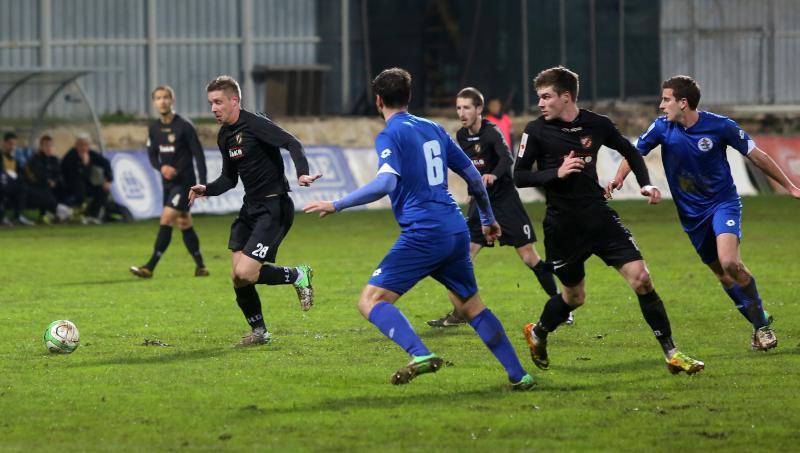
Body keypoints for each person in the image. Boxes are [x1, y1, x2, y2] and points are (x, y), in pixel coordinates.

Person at [304, 68, 536, 390]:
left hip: (424, 233)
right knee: (471, 306)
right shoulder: (434, 128)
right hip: (455, 229)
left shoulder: (390, 134)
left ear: (378, 100)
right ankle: (519, 375)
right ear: (409, 97)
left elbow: (385, 183)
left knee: (370, 301)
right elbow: (473, 176)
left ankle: (420, 354)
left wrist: (337, 204)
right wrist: (486, 218)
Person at [513, 66, 704, 375]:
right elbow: (519, 176)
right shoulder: (536, 130)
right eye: (540, 97)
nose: (540, 103)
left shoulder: (597, 124)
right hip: (563, 227)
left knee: (642, 278)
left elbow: (631, 151)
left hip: (599, 218)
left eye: (546, 97)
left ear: (566, 97)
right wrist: (555, 173)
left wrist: (645, 183)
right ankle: (539, 332)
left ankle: (672, 353)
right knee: (574, 297)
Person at [606, 75, 799, 351]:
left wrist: (789, 186)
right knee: (722, 274)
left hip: (722, 204)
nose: (661, 105)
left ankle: (761, 328)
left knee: (730, 262)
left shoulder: (721, 126)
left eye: (666, 100)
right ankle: (757, 319)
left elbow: (757, 155)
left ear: (683, 103)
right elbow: (634, 153)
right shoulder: (661, 128)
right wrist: (618, 178)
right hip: (691, 215)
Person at [188, 75, 321, 347]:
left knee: (246, 273)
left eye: (218, 102)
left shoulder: (255, 124)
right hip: (250, 208)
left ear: (234, 101)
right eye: (211, 103)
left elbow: (292, 143)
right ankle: (259, 332)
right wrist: (207, 189)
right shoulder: (225, 135)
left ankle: (298, 275)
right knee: (238, 277)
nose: (213, 108)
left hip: (274, 207)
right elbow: (229, 179)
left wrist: (302, 173)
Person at [427, 87, 572, 328]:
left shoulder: (491, 132)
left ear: (479, 109)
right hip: (480, 203)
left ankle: (562, 307)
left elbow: (507, 159)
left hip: (505, 201)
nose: (461, 113)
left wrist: (493, 175)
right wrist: (472, 191)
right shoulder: (461, 136)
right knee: (463, 257)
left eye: (466, 108)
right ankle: (460, 313)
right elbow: (467, 167)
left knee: (529, 257)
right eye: (458, 108)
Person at [130, 85, 210, 278]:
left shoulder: (184, 126)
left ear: (172, 100)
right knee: (184, 222)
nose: (162, 101)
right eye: (158, 98)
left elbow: (199, 155)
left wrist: (203, 184)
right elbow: (151, 154)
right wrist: (161, 168)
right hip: (168, 184)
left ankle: (149, 267)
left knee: (166, 218)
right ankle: (201, 267)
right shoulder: (154, 128)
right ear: (154, 102)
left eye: (166, 97)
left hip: (185, 183)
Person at [61, 135, 114, 224]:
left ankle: (92, 215)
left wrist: (108, 180)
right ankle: (77, 215)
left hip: (86, 185)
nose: (83, 147)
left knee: (103, 191)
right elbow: (73, 174)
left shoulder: (90, 154)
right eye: (81, 145)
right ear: (76, 145)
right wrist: (83, 163)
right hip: (71, 186)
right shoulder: (70, 156)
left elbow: (106, 163)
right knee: (80, 191)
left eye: (86, 145)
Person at [23, 134, 63, 223]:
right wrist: (49, 181)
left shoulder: (54, 159)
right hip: (37, 187)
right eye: (46, 146)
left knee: (62, 188)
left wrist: (54, 181)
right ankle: (53, 213)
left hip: (51, 187)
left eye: (50, 146)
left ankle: (54, 213)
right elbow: (39, 174)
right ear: (41, 147)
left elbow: (58, 173)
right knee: (45, 192)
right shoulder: (35, 159)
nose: (49, 148)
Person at [1, 132, 34, 226]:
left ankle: (18, 216)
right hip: (2, 184)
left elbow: (18, 173)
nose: (12, 147)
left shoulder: (15, 159)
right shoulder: (1, 157)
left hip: (9, 185)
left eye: (14, 144)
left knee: (23, 187)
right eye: (10, 144)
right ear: (4, 143)